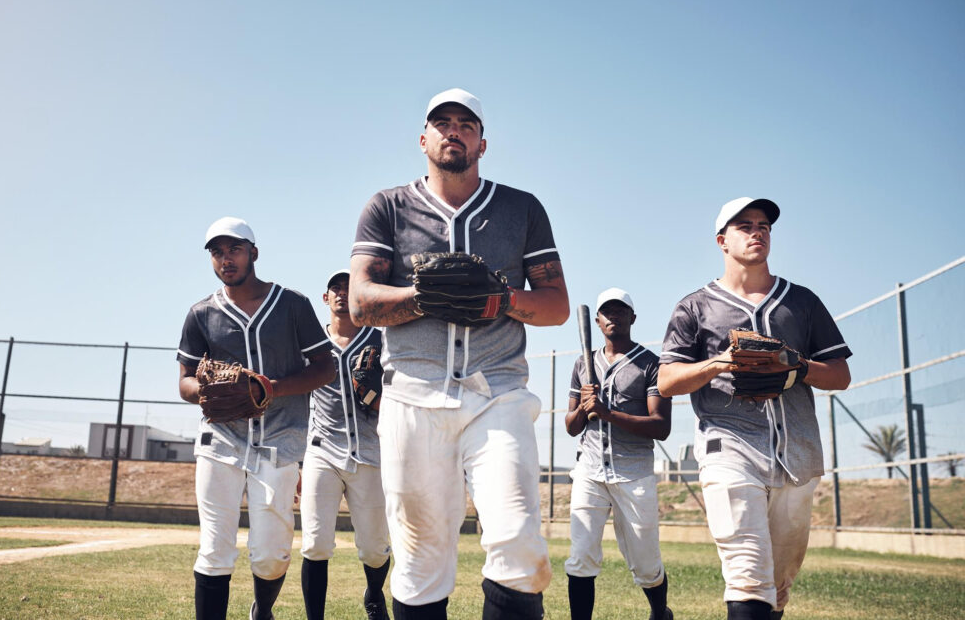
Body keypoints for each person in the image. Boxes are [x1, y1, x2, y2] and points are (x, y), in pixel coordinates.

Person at [348, 88, 570, 619]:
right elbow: (360, 302)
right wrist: (423, 296)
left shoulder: (521, 208)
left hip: (498, 393)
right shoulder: (388, 206)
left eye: (466, 124)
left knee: (519, 545)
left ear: (483, 142)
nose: (454, 131)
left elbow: (557, 305)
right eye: (442, 122)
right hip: (412, 396)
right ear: (423, 138)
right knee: (421, 562)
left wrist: (500, 299)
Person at [658, 197, 852, 620]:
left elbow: (840, 374)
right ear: (722, 240)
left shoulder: (799, 301)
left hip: (797, 452)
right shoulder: (695, 306)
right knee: (747, 573)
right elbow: (666, 381)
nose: (757, 231)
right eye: (744, 225)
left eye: (763, 225)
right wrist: (718, 363)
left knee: (777, 586)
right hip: (728, 448)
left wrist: (797, 364)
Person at [177, 216, 334, 620]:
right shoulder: (201, 313)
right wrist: (207, 391)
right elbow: (184, 383)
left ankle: (262, 610)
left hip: (279, 438)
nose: (225, 259)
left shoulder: (293, 305)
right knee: (214, 548)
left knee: (270, 556)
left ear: (254, 253)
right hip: (221, 440)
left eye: (234, 249)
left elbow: (324, 368)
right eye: (217, 252)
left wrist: (272, 389)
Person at [564, 288, 673, 620]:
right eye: (606, 312)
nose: (613, 316)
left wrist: (608, 412)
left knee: (645, 561)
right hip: (590, 470)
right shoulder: (583, 363)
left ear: (632, 318)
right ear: (597, 321)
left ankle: (659, 612)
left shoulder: (651, 364)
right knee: (581, 557)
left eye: (620, 311)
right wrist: (585, 408)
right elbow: (571, 427)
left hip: (634, 470)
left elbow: (661, 426)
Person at [300, 269, 392, 620]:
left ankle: (373, 594)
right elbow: (297, 403)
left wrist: (376, 398)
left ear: (359, 297)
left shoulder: (380, 341)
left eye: (348, 288)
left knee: (374, 549)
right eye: (334, 288)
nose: (341, 293)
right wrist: (297, 461)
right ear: (325, 298)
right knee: (315, 543)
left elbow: (400, 396)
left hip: (370, 450)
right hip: (321, 450)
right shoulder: (311, 346)